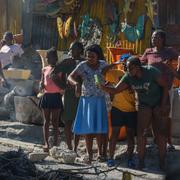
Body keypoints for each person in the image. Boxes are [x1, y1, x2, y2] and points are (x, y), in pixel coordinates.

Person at [100, 56, 170, 170]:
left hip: (159, 102)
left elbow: (165, 85)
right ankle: (141, 162)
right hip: (144, 104)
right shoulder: (128, 77)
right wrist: (102, 87)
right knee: (141, 133)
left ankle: (162, 161)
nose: (127, 71)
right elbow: (116, 90)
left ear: (137, 67)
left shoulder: (151, 71)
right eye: (126, 68)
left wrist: (163, 104)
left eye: (129, 68)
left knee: (160, 134)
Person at [67, 44, 109, 163]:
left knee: (99, 129)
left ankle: (101, 154)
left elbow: (111, 74)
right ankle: (89, 154)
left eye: (92, 56)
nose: (90, 58)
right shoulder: (82, 65)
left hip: (100, 100)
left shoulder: (103, 64)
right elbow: (70, 77)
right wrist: (76, 84)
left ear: (98, 56)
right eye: (88, 56)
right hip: (87, 100)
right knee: (88, 129)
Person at [140, 29, 180, 151]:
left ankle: (168, 142)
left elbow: (179, 59)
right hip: (152, 89)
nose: (153, 39)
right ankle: (156, 141)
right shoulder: (148, 52)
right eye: (152, 37)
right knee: (153, 115)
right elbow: (140, 66)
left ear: (162, 39)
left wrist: (173, 68)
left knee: (166, 116)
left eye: (156, 37)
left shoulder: (169, 51)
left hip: (167, 88)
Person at [51, 41, 84, 152]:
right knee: (68, 121)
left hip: (83, 95)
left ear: (80, 50)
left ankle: (75, 148)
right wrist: (63, 86)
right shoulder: (67, 62)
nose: (71, 51)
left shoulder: (85, 62)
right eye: (70, 49)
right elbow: (53, 74)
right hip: (70, 95)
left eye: (73, 49)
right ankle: (70, 147)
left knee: (78, 122)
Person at [105, 54, 137, 168]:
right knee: (114, 134)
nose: (125, 66)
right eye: (124, 63)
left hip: (132, 110)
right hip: (117, 109)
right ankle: (111, 158)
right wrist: (115, 63)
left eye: (127, 63)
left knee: (130, 136)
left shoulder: (136, 76)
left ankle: (130, 158)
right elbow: (103, 72)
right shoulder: (116, 73)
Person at [39, 47, 63, 152]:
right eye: (47, 57)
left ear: (56, 58)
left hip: (56, 96)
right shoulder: (44, 69)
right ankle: (46, 143)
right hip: (46, 96)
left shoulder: (60, 70)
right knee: (46, 121)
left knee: (55, 121)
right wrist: (41, 85)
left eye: (50, 57)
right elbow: (41, 83)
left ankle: (56, 142)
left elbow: (63, 84)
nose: (48, 59)